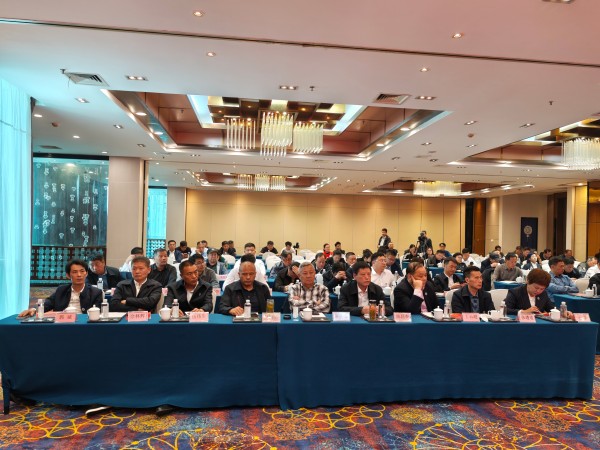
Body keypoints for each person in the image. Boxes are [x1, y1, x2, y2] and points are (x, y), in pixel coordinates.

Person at [18, 259, 103, 317]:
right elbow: (48, 303)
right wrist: (34, 309)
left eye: (82, 271)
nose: (79, 275)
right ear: (68, 275)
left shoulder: (96, 292)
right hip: (63, 325)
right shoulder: (61, 290)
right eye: (74, 272)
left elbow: (97, 314)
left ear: (86, 273)